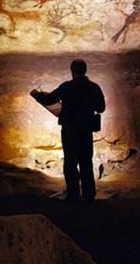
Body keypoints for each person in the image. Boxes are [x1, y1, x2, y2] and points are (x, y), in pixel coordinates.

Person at [30, 59, 106, 203]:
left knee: (70, 163)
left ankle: (73, 195)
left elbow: (49, 99)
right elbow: (101, 108)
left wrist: (36, 94)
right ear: (85, 70)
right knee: (86, 162)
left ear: (72, 71)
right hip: (86, 130)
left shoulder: (67, 87)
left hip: (70, 130)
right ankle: (89, 195)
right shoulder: (94, 87)